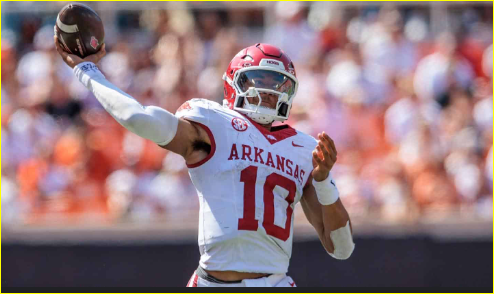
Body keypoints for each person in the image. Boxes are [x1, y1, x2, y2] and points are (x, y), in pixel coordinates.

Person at [54, 36, 355, 287]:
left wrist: (323, 180)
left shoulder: (303, 148)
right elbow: (138, 118)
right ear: (232, 84)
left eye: (277, 84)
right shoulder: (214, 123)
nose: (267, 93)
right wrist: (86, 71)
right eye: (258, 80)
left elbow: (341, 248)